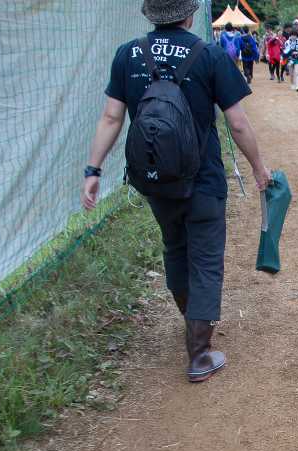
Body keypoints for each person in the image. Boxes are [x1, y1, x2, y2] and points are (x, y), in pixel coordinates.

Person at [82, 0, 270, 383]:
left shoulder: (128, 54)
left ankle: (192, 320)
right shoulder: (210, 55)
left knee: (175, 247)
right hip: (202, 178)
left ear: (151, 15)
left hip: (155, 178)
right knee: (205, 257)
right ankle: (199, 353)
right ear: (188, 15)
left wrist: (94, 169)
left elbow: (111, 117)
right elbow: (236, 123)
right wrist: (258, 167)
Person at [282, 23, 298, 91]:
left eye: (295, 35)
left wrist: (295, 52)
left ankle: (297, 86)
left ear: (297, 36)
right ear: (290, 36)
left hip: (297, 59)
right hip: (290, 60)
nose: (293, 37)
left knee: (296, 73)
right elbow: (285, 52)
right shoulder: (287, 42)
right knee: (291, 74)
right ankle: (292, 84)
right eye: (292, 35)